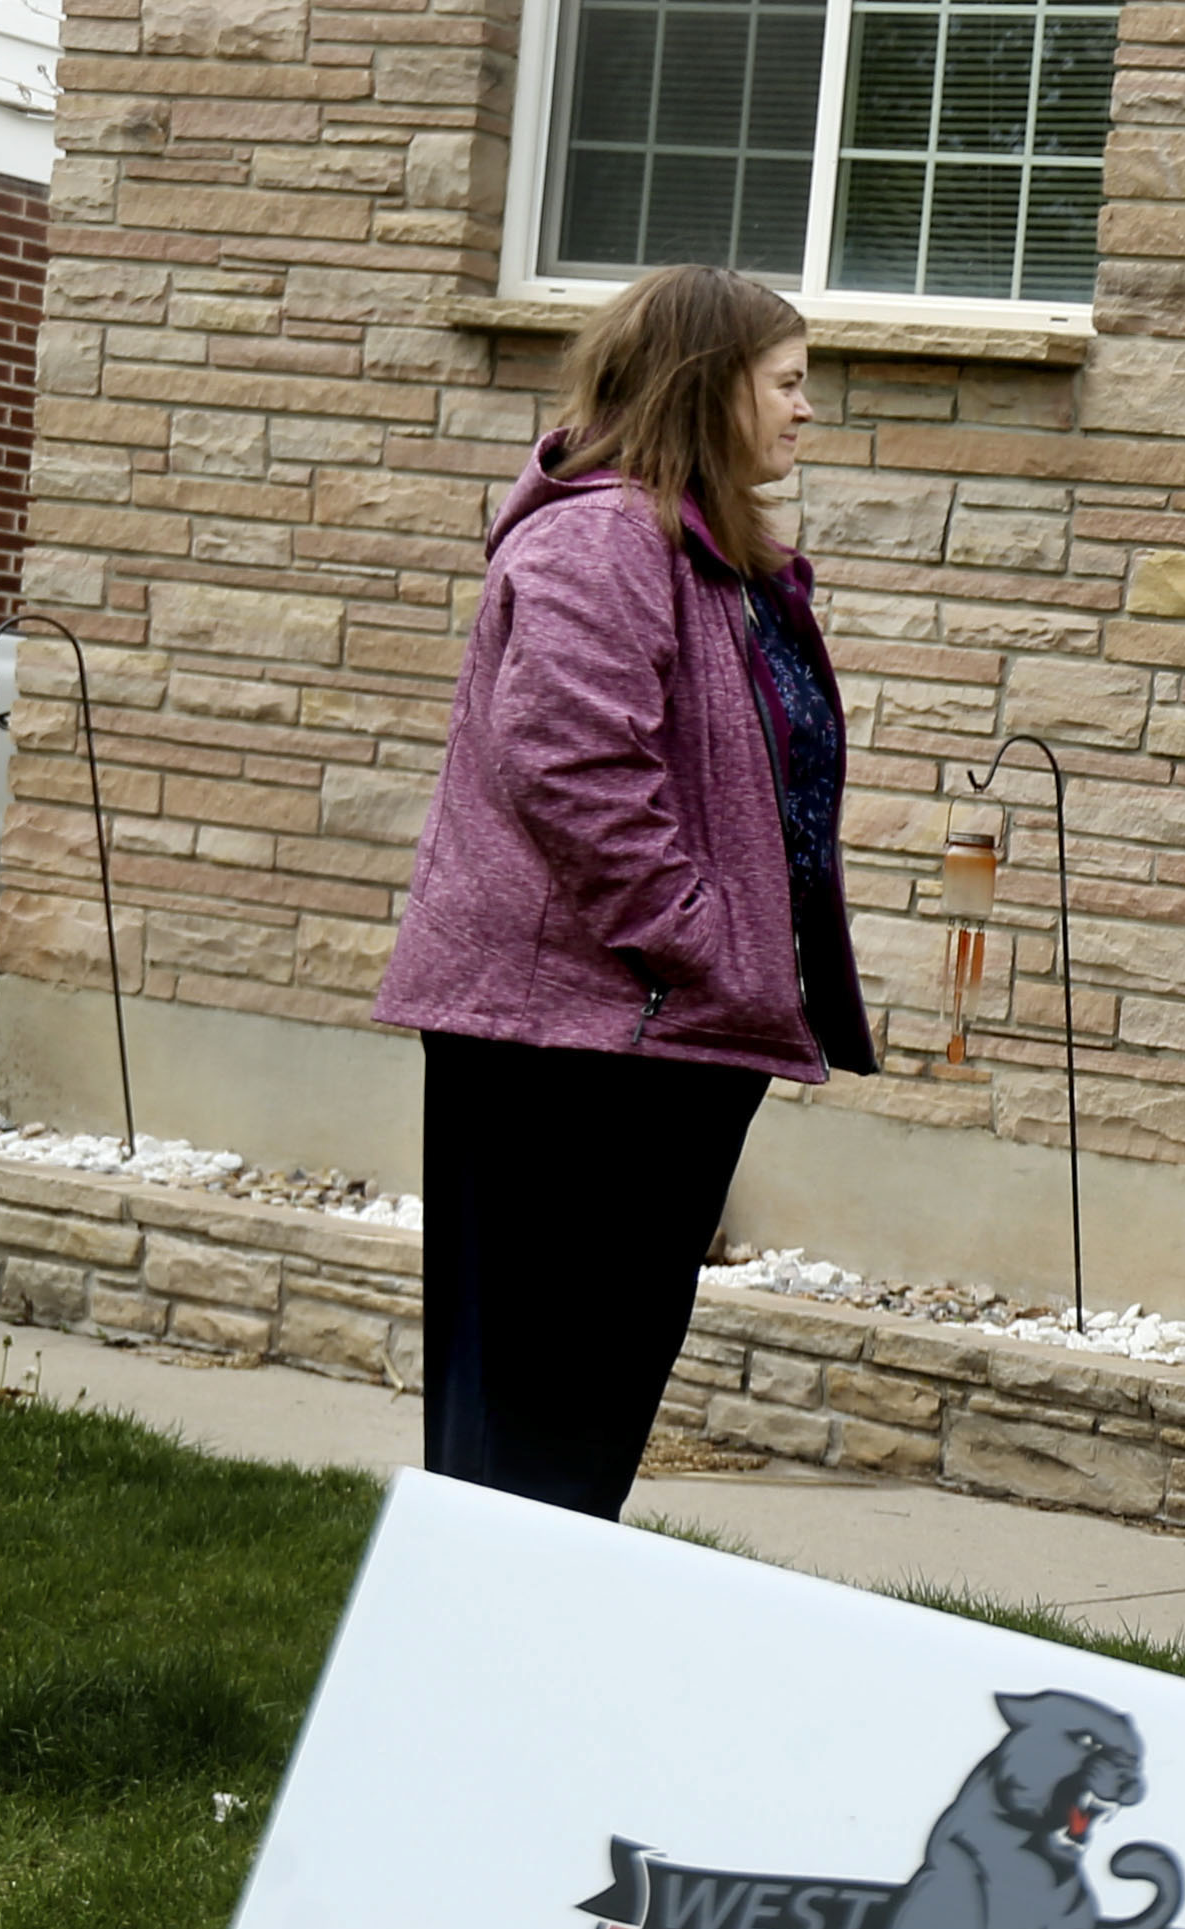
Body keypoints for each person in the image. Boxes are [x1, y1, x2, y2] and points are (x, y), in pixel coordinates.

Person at [374, 265, 876, 1519]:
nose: (807, 411)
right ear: (710, 387)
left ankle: (523, 1665)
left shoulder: (706, 554)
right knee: (537, 1417)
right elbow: (573, 764)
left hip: (652, 1032)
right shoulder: (605, 540)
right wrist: (705, 948)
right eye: (788, 382)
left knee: (580, 1408)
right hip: (577, 1040)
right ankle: (478, 1667)